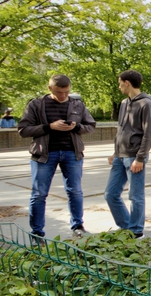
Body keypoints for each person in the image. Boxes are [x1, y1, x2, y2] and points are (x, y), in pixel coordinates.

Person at [17, 74, 96, 241]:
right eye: (59, 92)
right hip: (44, 155)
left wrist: (76, 127)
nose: (63, 96)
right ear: (50, 88)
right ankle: (37, 232)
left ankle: (78, 226)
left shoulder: (77, 105)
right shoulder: (36, 104)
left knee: (75, 191)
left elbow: (90, 126)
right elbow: (23, 130)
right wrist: (49, 127)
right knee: (39, 194)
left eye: (66, 92)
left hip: (72, 153)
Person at [105, 70, 151, 239]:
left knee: (135, 195)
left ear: (127, 83)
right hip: (120, 156)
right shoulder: (124, 103)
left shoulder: (145, 104)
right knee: (110, 194)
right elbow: (121, 130)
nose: (119, 87)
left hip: (135, 157)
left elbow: (149, 133)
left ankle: (136, 231)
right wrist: (115, 152)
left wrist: (140, 158)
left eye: (120, 83)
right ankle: (127, 226)